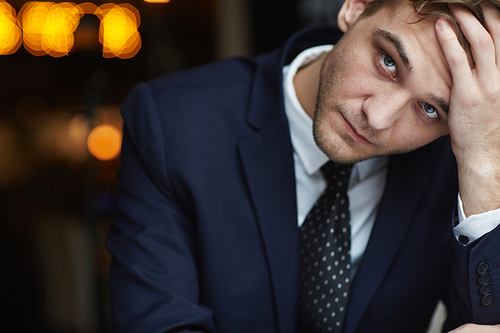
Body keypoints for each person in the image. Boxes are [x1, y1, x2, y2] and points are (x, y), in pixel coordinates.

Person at [106, 0, 500, 331]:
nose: (377, 117)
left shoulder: (461, 154)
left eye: (429, 109)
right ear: (355, 7)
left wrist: (481, 166)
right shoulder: (173, 123)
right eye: (388, 61)